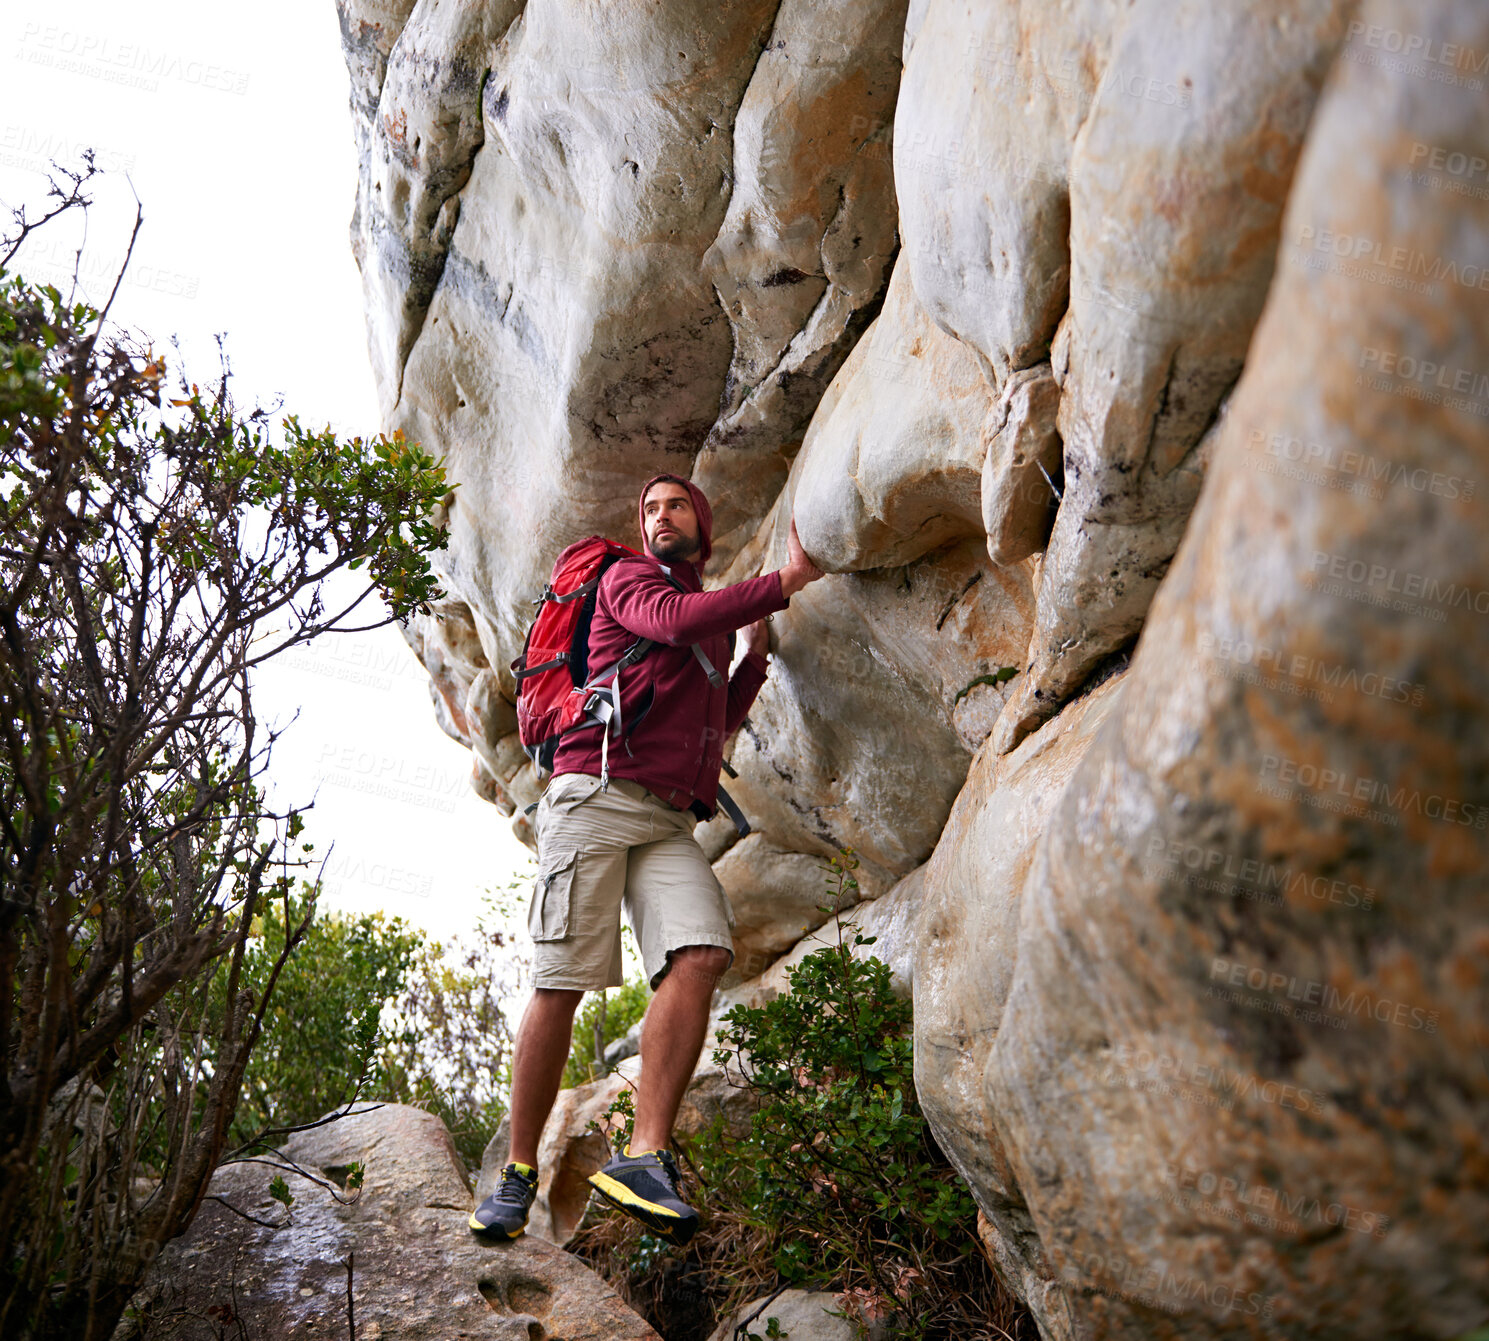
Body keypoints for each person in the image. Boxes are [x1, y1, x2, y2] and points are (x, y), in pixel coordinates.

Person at [469, 474, 825, 1246]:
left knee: (701, 955)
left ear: (703, 518)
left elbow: (711, 726)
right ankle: (518, 1169)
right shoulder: (630, 579)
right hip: (592, 795)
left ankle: (644, 1155)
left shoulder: (716, 628)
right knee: (561, 984)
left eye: (674, 505)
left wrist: (753, 663)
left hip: (665, 818)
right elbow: (669, 620)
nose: (660, 516)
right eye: (649, 509)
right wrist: (782, 584)